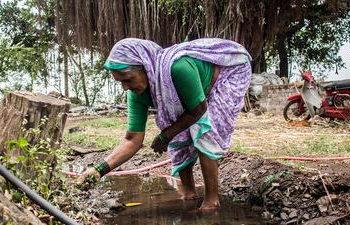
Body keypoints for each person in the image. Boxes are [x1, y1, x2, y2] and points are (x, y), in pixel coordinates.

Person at [79, 38, 252, 210]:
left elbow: (198, 110)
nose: (125, 87)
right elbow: (132, 140)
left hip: (228, 73)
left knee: (204, 128)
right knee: (174, 124)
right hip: (196, 95)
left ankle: (211, 201)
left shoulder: (178, 68)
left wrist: (165, 136)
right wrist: (97, 170)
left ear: (146, 68)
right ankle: (189, 193)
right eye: (121, 82)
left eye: (128, 79)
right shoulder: (135, 93)